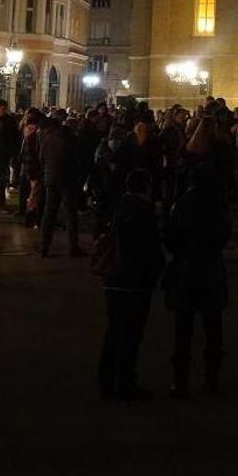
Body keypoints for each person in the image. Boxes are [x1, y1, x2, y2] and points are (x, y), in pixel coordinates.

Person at [162, 162, 230, 397]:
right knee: (213, 327)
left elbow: (170, 236)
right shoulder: (216, 206)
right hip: (210, 269)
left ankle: (181, 383)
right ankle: (211, 380)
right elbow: (223, 235)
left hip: (186, 269)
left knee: (183, 328)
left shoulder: (181, 205)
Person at [98, 169, 166, 401]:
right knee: (131, 333)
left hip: (114, 278)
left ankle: (106, 379)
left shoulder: (118, 207)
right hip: (134, 280)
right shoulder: (145, 212)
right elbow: (150, 246)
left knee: (114, 330)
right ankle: (125, 380)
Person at [37, 115, 83, 257]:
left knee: (49, 213)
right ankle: (73, 247)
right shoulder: (68, 138)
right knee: (70, 214)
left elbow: (41, 159)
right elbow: (76, 158)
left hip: (51, 179)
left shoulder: (46, 139)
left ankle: (44, 247)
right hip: (67, 179)